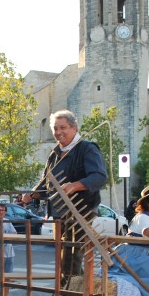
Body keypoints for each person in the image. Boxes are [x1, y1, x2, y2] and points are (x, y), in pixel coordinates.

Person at [22, 109, 107, 286]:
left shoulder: (87, 149)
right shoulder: (55, 154)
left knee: (70, 257)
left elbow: (99, 177)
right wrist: (32, 195)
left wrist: (75, 185)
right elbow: (45, 183)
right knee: (65, 257)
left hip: (80, 212)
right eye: (55, 128)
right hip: (60, 213)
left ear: (74, 128)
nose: (59, 132)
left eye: (63, 128)